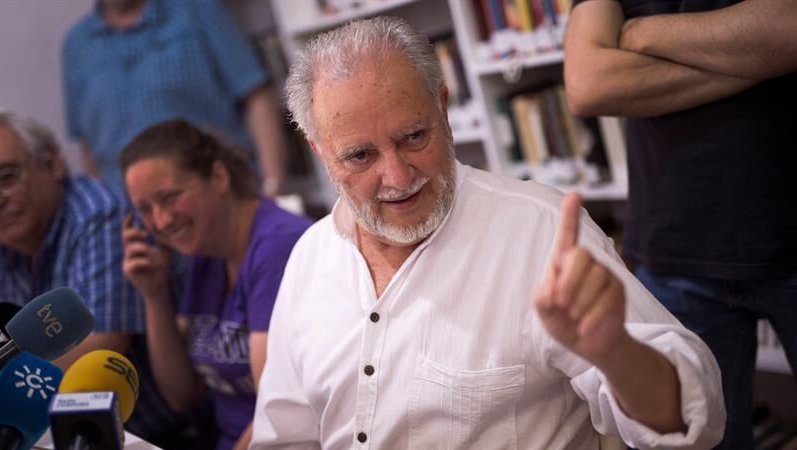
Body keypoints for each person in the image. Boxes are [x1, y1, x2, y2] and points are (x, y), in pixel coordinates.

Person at [248, 17, 725, 449]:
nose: (396, 175)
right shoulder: (310, 257)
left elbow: (694, 421)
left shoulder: (540, 232)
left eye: (414, 136)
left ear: (443, 108)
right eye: (359, 156)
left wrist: (615, 352)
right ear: (318, 151)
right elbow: (285, 437)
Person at [563, 1, 797, 448]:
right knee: (698, 437)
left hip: (787, 227)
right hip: (673, 255)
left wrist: (641, 33)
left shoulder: (638, 28)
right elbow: (588, 84)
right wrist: (758, 59)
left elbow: (790, 31)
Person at [0, 111, 193, 445]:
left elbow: (99, 344)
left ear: (52, 163)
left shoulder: (99, 214)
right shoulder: (7, 239)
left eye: (6, 177)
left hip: (153, 435)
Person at [120, 119, 312, 450]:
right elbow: (181, 395)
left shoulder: (276, 247)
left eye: (170, 197)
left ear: (219, 177)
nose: (161, 221)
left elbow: (276, 412)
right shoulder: (205, 250)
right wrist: (154, 293)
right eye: (145, 209)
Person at [63, 0, 287, 194]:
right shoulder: (77, 45)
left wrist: (274, 186)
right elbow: (88, 148)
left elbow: (256, 94)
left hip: (217, 196)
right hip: (134, 213)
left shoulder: (196, 10)